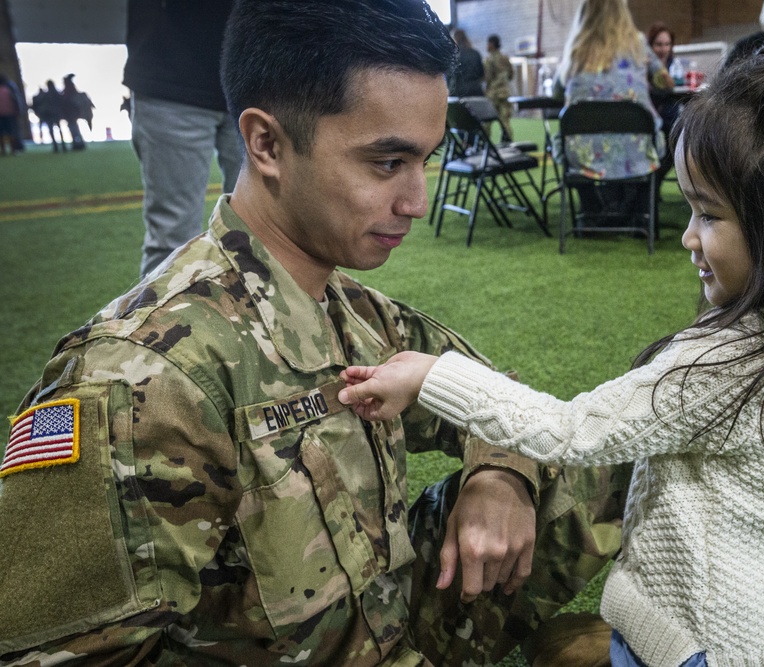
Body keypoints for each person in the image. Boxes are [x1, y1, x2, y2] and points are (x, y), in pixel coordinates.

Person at [0, 1, 631, 665]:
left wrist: (500, 476)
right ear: (267, 144)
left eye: (424, 160)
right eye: (387, 162)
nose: (416, 200)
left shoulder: (352, 308)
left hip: (385, 624)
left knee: (607, 453)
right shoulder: (140, 380)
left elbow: (495, 394)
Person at [339, 41, 764, 666]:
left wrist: (432, 375)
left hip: (710, 650)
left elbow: (574, 431)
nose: (687, 237)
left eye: (708, 215)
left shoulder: (725, 364)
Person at [123, 0, 243, 278]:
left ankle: (259, 319)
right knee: (172, 241)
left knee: (260, 235)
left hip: (253, 82)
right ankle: (160, 323)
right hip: (170, 78)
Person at [554, 0, 670, 221]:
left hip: (582, 152)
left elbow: (557, 91)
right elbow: (664, 80)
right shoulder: (637, 43)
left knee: (571, 141)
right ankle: (641, 213)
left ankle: (590, 211)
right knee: (660, 139)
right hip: (636, 149)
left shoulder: (575, 49)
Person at [483, 34, 515, 141]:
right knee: (505, 122)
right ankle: (508, 144)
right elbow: (511, 74)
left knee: (487, 122)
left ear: (492, 44)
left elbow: (487, 77)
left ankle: (485, 145)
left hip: (493, 94)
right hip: (504, 93)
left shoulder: (489, 60)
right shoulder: (505, 58)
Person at [31, 81, 67, 152]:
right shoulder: (57, 93)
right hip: (56, 113)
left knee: (51, 130)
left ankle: (55, 146)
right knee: (59, 129)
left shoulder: (46, 95)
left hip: (49, 114)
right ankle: (63, 145)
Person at [448, 28, 485, 97]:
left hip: (459, 92)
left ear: (455, 39)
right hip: (476, 91)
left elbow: (451, 75)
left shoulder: (455, 55)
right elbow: (481, 73)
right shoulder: (475, 53)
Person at [60, 74, 89, 150]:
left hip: (70, 114)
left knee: (74, 129)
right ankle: (79, 143)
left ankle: (78, 144)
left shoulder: (68, 90)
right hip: (72, 113)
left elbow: (67, 101)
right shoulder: (71, 89)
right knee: (74, 129)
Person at [0, 73, 23, 156]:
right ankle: (13, 150)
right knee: (11, 132)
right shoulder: (8, 90)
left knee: (1, 133)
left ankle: (3, 151)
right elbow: (15, 101)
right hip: (10, 114)